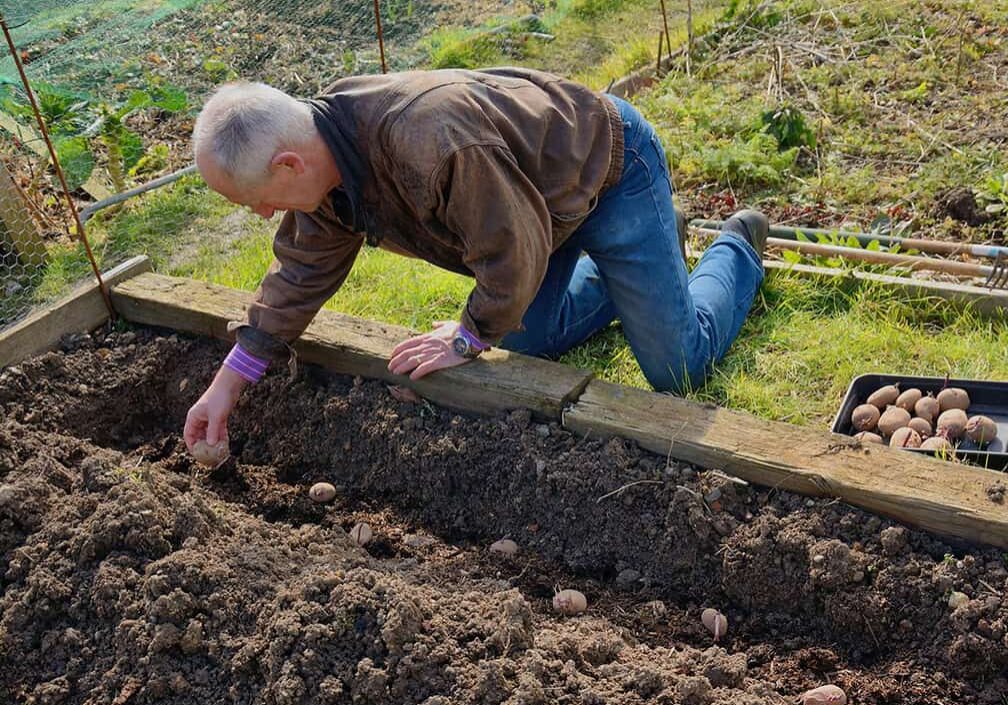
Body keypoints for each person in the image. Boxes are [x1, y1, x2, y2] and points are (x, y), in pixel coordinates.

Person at [183, 67, 768, 452]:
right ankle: (641, 263)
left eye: (254, 199)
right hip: (535, 206)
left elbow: (511, 250)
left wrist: (465, 336)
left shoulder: (433, 144)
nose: (262, 215)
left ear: (288, 164)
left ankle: (735, 246)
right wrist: (227, 384)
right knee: (528, 345)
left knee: (677, 370)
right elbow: (299, 274)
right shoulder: (329, 166)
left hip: (607, 170)